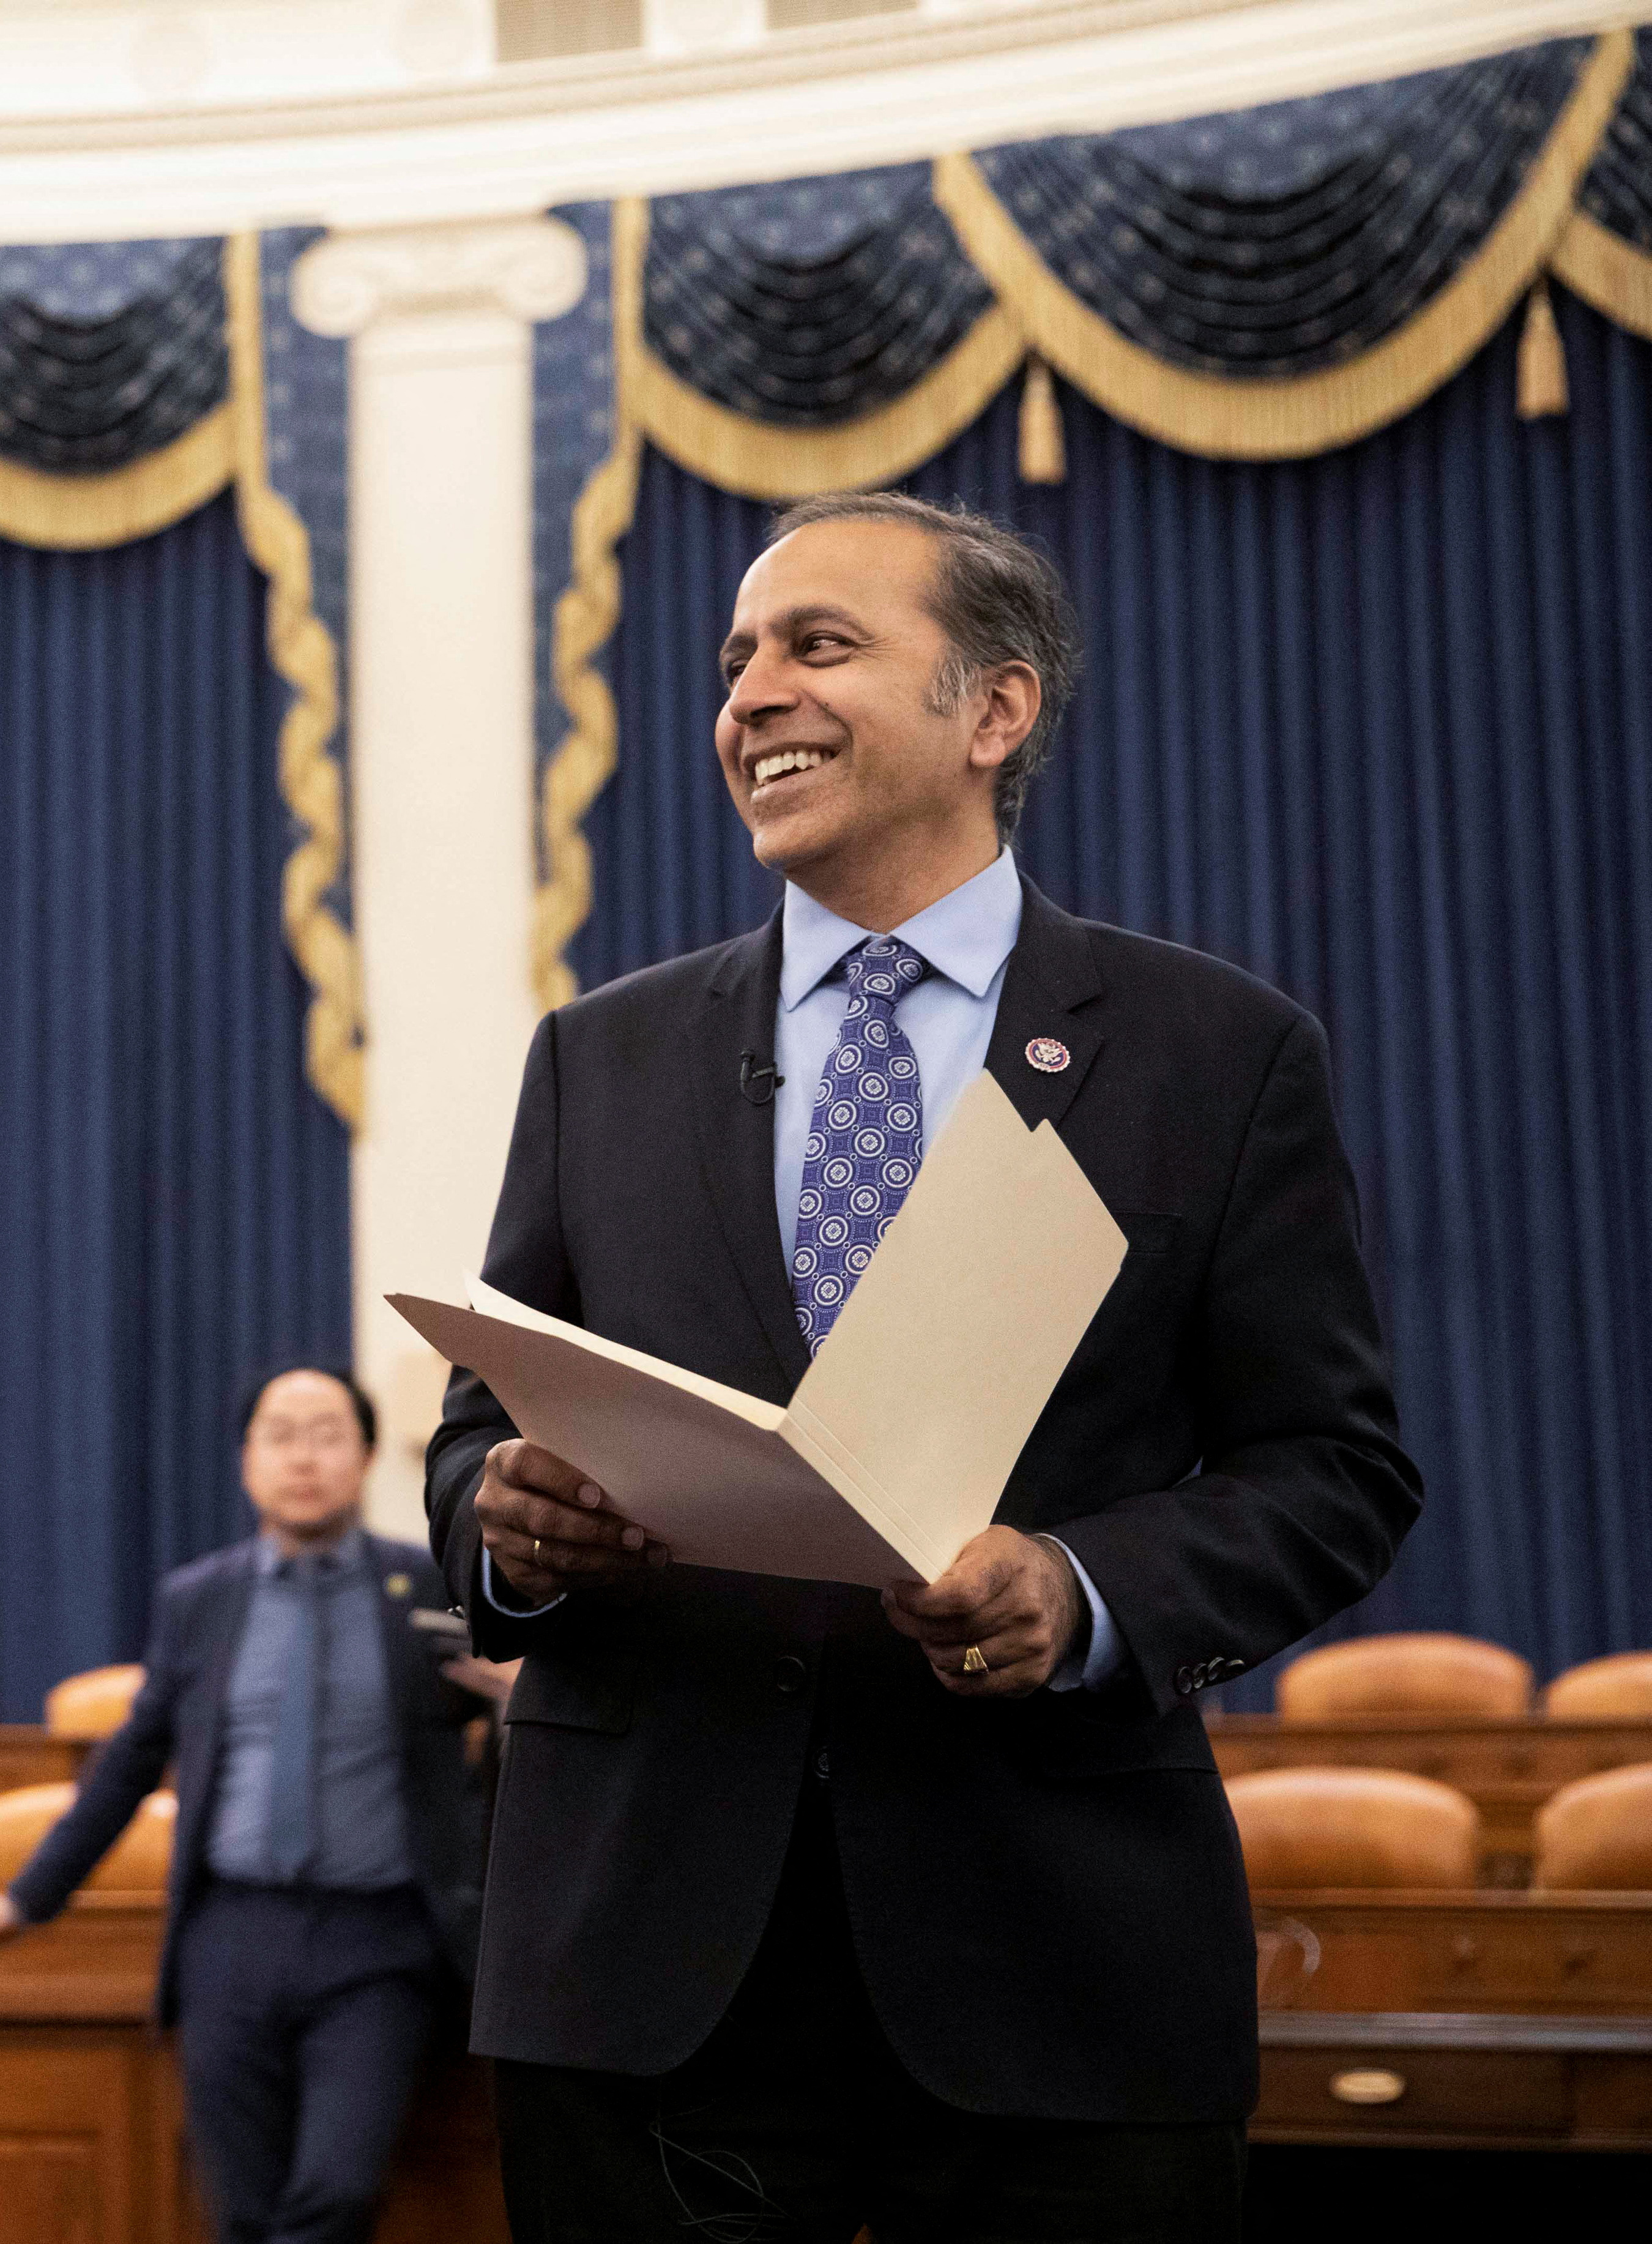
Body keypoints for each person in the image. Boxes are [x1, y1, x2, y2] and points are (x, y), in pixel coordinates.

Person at [429, 491, 1419, 2241]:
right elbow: (476, 1439)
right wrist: (508, 1527)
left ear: (994, 709)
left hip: (1058, 1966)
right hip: (642, 1975)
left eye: (817, 645)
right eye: (734, 659)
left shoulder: (1213, 1055)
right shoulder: (600, 1057)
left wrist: (1082, 1585)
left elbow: (1333, 1464)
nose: (750, 694)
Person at [0, 1366, 504, 2244]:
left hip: (382, 1943)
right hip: (229, 1939)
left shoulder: (428, 1587)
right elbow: (129, 1764)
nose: (304, 1457)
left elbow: (513, 1739)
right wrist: (28, 1898)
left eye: (327, 1433)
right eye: (280, 1434)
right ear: (246, 1461)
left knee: (340, 2191)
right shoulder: (200, 1601)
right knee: (239, 2208)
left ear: (364, 1457)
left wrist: (513, 1698)